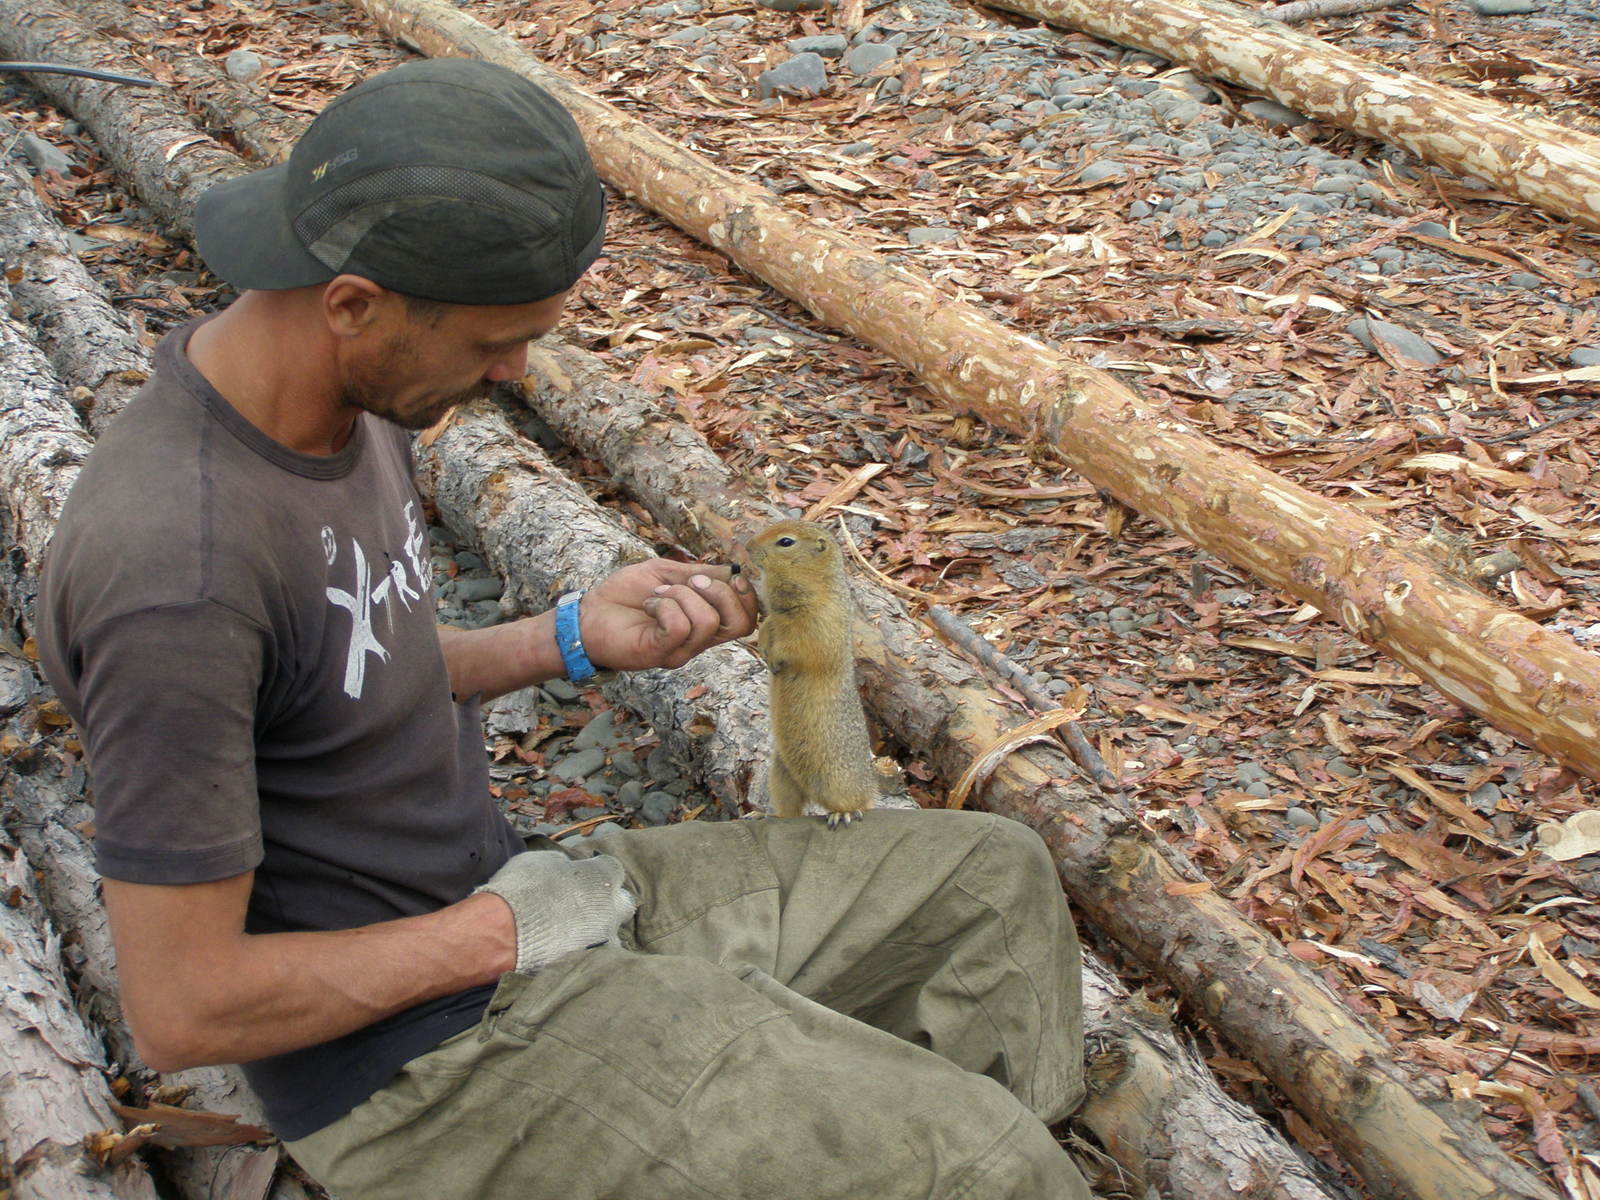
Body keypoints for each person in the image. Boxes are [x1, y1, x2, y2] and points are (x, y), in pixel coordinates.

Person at [37, 58, 1093, 1199]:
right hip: (426, 1066)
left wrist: (568, 636)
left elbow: (337, 678)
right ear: (354, 303)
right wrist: (507, 932)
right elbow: (187, 1004)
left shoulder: (338, 392)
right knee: (985, 1170)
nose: (516, 371)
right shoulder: (174, 574)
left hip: (523, 913)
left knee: (993, 886)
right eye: (497, 343)